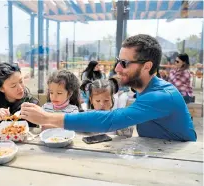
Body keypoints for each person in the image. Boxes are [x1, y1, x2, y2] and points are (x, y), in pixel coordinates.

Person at [20, 34, 196, 142]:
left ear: (147, 67)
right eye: (118, 61)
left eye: (124, 63)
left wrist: (47, 117)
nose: (117, 68)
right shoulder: (144, 88)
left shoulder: (161, 96)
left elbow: (110, 120)